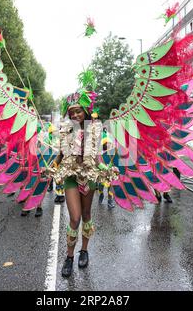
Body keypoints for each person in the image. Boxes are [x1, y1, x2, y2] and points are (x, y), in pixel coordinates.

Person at [46, 92, 117, 278]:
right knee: (75, 217)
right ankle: (69, 257)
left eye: (78, 111)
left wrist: (106, 169)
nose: (75, 115)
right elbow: (61, 156)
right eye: (72, 113)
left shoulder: (94, 129)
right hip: (70, 176)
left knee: (86, 215)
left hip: (89, 176)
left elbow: (97, 158)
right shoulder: (65, 131)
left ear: (85, 111)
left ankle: (83, 251)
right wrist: (51, 168)